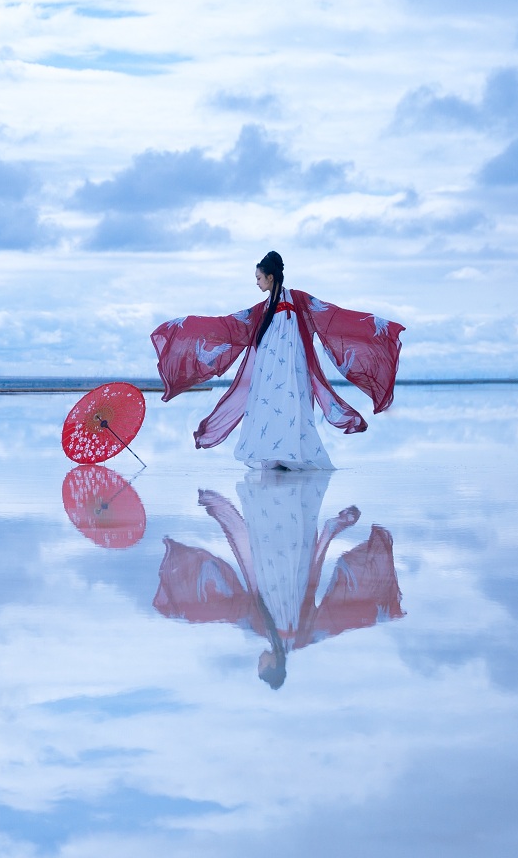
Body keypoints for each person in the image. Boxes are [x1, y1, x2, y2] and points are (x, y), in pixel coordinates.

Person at [152, 469, 405, 689]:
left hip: (288, 575)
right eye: (262, 665)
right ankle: (289, 497)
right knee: (282, 533)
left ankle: (294, 501)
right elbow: (339, 620)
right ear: (272, 664)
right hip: (281, 575)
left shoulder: (285, 636)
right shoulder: (289, 637)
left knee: (286, 534)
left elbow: (232, 612)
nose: (259, 661)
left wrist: (189, 613)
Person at [151, 251, 405, 468]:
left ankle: (294, 453)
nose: (257, 283)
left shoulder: (299, 300)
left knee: (294, 402)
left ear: (270, 277)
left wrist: (379, 327)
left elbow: (334, 317)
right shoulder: (262, 309)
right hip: (267, 366)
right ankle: (273, 455)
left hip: (293, 365)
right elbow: (228, 325)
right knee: (267, 401)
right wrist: (184, 327)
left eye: (259, 278)